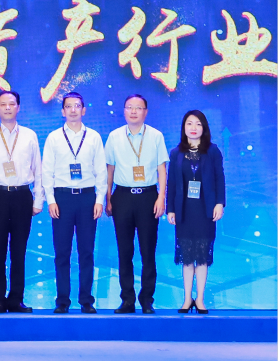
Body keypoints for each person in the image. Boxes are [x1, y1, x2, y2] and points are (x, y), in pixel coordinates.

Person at [0, 91, 43, 314]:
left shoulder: (29, 135)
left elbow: (38, 168)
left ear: (18, 107)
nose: (7, 107)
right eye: (3, 104)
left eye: (12, 104)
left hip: (22, 195)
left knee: (19, 251)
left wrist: (39, 199)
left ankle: (16, 299)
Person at [42, 91, 107, 314]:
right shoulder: (54, 137)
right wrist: (51, 200)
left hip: (88, 197)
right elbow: (46, 171)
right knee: (62, 252)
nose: (73, 110)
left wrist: (99, 199)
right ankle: (62, 301)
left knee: (86, 251)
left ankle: (86, 300)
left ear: (84, 110)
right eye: (68, 106)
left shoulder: (94, 137)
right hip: (62, 198)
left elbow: (101, 171)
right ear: (63, 111)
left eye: (77, 105)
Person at [104, 94, 168, 314]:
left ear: (145, 112)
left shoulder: (156, 136)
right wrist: (108, 197)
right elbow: (110, 169)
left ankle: (147, 299)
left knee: (148, 251)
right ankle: (127, 300)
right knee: (125, 251)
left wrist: (161, 197)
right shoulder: (114, 136)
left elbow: (162, 169)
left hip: (148, 196)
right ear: (124, 111)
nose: (133, 111)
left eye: (138, 108)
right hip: (122, 196)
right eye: (129, 107)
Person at [167, 110, 225, 314]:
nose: (193, 128)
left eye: (198, 124)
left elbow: (219, 178)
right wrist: (170, 209)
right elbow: (172, 183)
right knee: (187, 257)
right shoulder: (176, 153)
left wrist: (220, 203)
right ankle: (187, 299)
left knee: (201, 256)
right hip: (184, 210)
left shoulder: (213, 151)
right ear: (184, 128)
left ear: (204, 128)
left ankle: (200, 299)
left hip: (205, 210)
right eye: (189, 123)